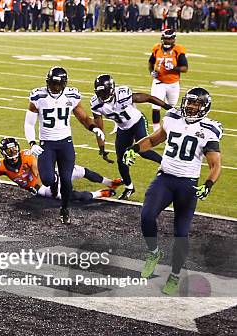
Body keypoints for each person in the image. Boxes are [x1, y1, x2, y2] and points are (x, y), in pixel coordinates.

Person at [123, 88, 222, 295]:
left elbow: (215, 165)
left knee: (181, 233)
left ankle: (175, 274)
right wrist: (134, 148)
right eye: (189, 102)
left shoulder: (210, 130)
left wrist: (209, 184)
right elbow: (153, 139)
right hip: (165, 178)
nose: (191, 107)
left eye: (196, 104)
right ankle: (154, 253)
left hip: (188, 184)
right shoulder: (173, 117)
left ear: (204, 107)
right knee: (147, 216)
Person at [23, 66, 108, 225]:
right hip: (46, 144)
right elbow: (29, 123)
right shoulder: (38, 96)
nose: (55, 87)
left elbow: (83, 118)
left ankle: (64, 209)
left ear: (64, 84)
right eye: (52, 84)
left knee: (67, 182)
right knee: (47, 180)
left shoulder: (72, 95)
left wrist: (94, 127)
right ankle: (54, 180)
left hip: (65, 143)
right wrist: (32, 142)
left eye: (58, 84)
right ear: (47, 82)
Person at [91, 74, 170, 200]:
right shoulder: (96, 104)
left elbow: (148, 98)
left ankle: (167, 164)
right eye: (100, 93)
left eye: (105, 92)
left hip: (137, 121)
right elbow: (99, 128)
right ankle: (129, 187)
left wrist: (168, 107)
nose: (103, 96)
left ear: (111, 90)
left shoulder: (122, 94)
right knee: (121, 160)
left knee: (143, 151)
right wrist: (102, 147)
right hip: (123, 128)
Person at [0, 137, 120, 202]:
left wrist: (49, 179)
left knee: (80, 171)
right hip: (42, 189)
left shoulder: (27, 156)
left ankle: (110, 183)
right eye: (9, 150)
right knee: (66, 196)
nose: (13, 152)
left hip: (47, 179)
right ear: (3, 152)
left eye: (14, 149)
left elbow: (37, 169)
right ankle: (99, 193)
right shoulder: (0, 165)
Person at [148, 29, 188, 131]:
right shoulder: (157, 48)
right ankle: (156, 130)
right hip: (159, 82)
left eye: (169, 39)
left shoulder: (178, 50)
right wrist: (151, 71)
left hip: (173, 83)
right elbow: (150, 62)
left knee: (172, 109)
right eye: (165, 39)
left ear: (173, 40)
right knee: (156, 107)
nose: (167, 41)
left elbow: (185, 68)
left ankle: (168, 130)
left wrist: (173, 68)